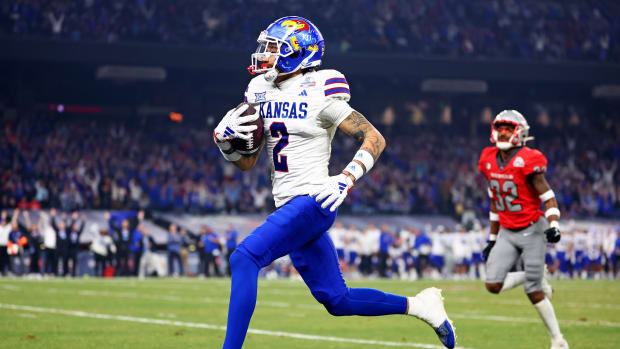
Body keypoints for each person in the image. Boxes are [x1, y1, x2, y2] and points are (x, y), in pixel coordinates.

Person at [213, 16, 455, 349]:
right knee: (337, 300)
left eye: (274, 47)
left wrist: (345, 178)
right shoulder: (259, 89)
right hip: (288, 204)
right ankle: (421, 306)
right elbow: (249, 162)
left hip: (315, 199)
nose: (265, 54)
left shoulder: (320, 87)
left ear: (297, 52)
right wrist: (228, 148)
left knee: (244, 257)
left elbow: (374, 137)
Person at [478, 110, 568, 349]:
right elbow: (495, 201)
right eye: (500, 127)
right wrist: (492, 239)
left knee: (534, 292)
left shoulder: (529, 158)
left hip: (532, 229)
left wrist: (554, 225)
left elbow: (548, 196)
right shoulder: (487, 157)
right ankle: (537, 275)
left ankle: (558, 340)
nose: (503, 132)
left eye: (508, 128)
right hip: (507, 230)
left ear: (520, 132)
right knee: (492, 285)